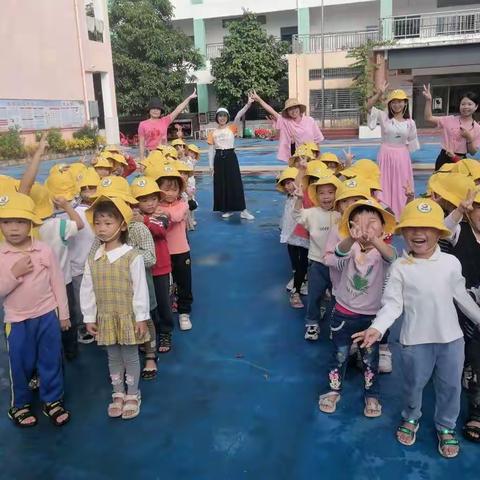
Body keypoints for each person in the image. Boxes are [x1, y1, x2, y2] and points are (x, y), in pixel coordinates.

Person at [353, 198, 480, 458]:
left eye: (427, 227)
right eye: (411, 227)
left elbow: (462, 296)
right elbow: (392, 304)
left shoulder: (450, 263)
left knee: (451, 387)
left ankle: (446, 426)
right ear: (403, 233)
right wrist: (377, 328)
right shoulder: (400, 267)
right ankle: (411, 416)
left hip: (452, 340)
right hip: (415, 341)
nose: (418, 233)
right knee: (413, 384)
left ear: (439, 232)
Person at [319, 199, 396, 417]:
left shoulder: (384, 253)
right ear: (350, 227)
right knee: (339, 355)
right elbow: (335, 257)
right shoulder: (349, 248)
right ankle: (333, 389)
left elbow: (393, 257)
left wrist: (377, 240)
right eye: (358, 223)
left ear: (383, 228)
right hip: (343, 314)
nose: (365, 228)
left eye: (372, 222)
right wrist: (349, 240)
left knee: (371, 360)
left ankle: (372, 394)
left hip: (372, 319)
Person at [0, 192, 71, 427]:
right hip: (17, 320)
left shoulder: (43, 251)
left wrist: (64, 314)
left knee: (50, 359)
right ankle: (20, 404)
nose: (13, 228)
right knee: (20, 363)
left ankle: (52, 399)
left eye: (20, 221)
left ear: (31, 223)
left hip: (47, 315)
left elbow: (57, 283)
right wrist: (14, 274)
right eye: (6, 222)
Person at [80, 196, 149, 419]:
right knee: (112, 356)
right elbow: (87, 289)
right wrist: (89, 316)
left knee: (129, 355)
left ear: (122, 226)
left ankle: (133, 393)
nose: (101, 228)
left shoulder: (132, 257)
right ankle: (117, 392)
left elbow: (140, 289)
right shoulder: (93, 259)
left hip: (128, 316)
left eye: (108, 223)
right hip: (106, 317)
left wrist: (141, 317)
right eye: (97, 223)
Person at [443, 188, 480, 442]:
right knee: (464, 348)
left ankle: (476, 406)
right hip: (459, 304)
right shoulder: (460, 231)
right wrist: (458, 211)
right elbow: (442, 229)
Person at [130, 176, 174, 358]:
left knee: (163, 302)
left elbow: (160, 229)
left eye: (153, 199)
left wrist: (144, 221)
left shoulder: (162, 215)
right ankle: (150, 333)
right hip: (142, 270)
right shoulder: (131, 218)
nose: (149, 203)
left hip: (160, 268)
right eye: (144, 200)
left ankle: (165, 332)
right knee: (146, 303)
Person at [293, 174, 341, 340]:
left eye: (330, 192)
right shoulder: (312, 213)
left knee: (338, 297)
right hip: (317, 263)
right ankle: (312, 323)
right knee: (315, 294)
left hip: (338, 264)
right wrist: (299, 199)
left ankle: (337, 325)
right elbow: (298, 216)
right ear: (316, 196)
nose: (326, 196)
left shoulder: (341, 215)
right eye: (321, 193)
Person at [366, 83, 419, 219]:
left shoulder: (410, 123)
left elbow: (412, 143)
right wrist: (379, 94)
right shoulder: (384, 116)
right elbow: (368, 107)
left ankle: (402, 216)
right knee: (384, 183)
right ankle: (384, 215)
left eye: (400, 101)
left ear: (405, 103)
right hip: (385, 154)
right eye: (394, 102)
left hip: (402, 156)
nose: (397, 105)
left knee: (402, 185)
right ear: (390, 104)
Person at [154, 163, 194, 331]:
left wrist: (162, 213)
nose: (170, 193)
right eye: (166, 189)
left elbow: (177, 217)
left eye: (174, 189)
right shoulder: (154, 207)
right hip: (162, 252)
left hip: (181, 251)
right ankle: (169, 305)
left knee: (184, 281)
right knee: (165, 283)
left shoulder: (183, 204)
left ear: (179, 191)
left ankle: (184, 312)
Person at [208, 97, 255, 220]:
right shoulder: (212, 133)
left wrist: (248, 103)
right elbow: (210, 150)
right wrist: (210, 166)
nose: (222, 118)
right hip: (218, 158)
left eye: (224, 116)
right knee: (222, 184)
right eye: (220, 116)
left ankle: (243, 210)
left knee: (235, 183)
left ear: (227, 117)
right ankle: (227, 209)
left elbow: (239, 115)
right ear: (217, 118)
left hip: (230, 157)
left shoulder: (232, 128)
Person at [251, 92, 324, 162]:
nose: (293, 111)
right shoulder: (286, 121)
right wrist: (259, 100)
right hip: (297, 158)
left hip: (311, 156)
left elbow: (317, 140)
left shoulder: (310, 121)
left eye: (295, 107)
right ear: (287, 112)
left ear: (299, 108)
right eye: (290, 109)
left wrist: (318, 156)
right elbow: (272, 111)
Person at [423, 85, 480, 171]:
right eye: (463, 104)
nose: (466, 107)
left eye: (469, 104)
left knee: (459, 184)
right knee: (440, 183)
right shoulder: (449, 120)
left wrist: (469, 138)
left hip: (461, 161)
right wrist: (428, 100)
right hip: (444, 158)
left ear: (476, 107)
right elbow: (429, 118)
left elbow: (472, 152)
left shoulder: (477, 128)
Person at [276, 167, 309, 308]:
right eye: (286, 183)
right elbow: (286, 215)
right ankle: (299, 279)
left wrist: (301, 169)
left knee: (303, 262)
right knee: (295, 262)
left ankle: (296, 291)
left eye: (292, 182)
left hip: (302, 234)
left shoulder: (300, 196)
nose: (290, 186)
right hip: (290, 234)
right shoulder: (288, 198)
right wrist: (282, 226)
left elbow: (298, 184)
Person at [138, 91, 197, 161]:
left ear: (161, 111)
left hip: (164, 154)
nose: (155, 111)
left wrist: (189, 98)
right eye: (153, 108)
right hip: (150, 155)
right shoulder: (143, 124)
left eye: (158, 109)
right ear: (149, 110)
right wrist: (142, 161)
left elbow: (177, 110)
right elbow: (141, 144)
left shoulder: (165, 121)